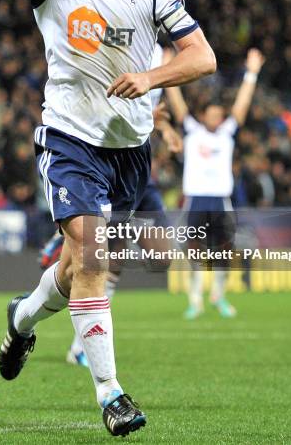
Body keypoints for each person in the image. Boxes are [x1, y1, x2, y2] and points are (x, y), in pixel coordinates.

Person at [0, 0, 216, 437]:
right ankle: (111, 394)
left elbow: (203, 57)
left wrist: (151, 79)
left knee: (70, 270)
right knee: (90, 255)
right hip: (68, 139)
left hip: (129, 151)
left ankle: (22, 318)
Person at [39, 43, 182, 368]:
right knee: (99, 259)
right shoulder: (117, 39)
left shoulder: (160, 54)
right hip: (105, 165)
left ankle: (75, 238)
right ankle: (80, 348)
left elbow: (145, 111)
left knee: (161, 257)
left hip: (140, 172)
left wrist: (164, 126)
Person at [166, 48, 265, 319]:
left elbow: (242, 106)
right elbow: (177, 104)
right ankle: (195, 300)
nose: (215, 119)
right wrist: (167, 67)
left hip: (221, 198)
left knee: (224, 250)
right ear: (203, 116)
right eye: (211, 114)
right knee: (194, 250)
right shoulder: (192, 131)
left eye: (219, 115)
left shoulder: (226, 133)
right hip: (196, 198)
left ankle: (219, 296)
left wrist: (252, 74)